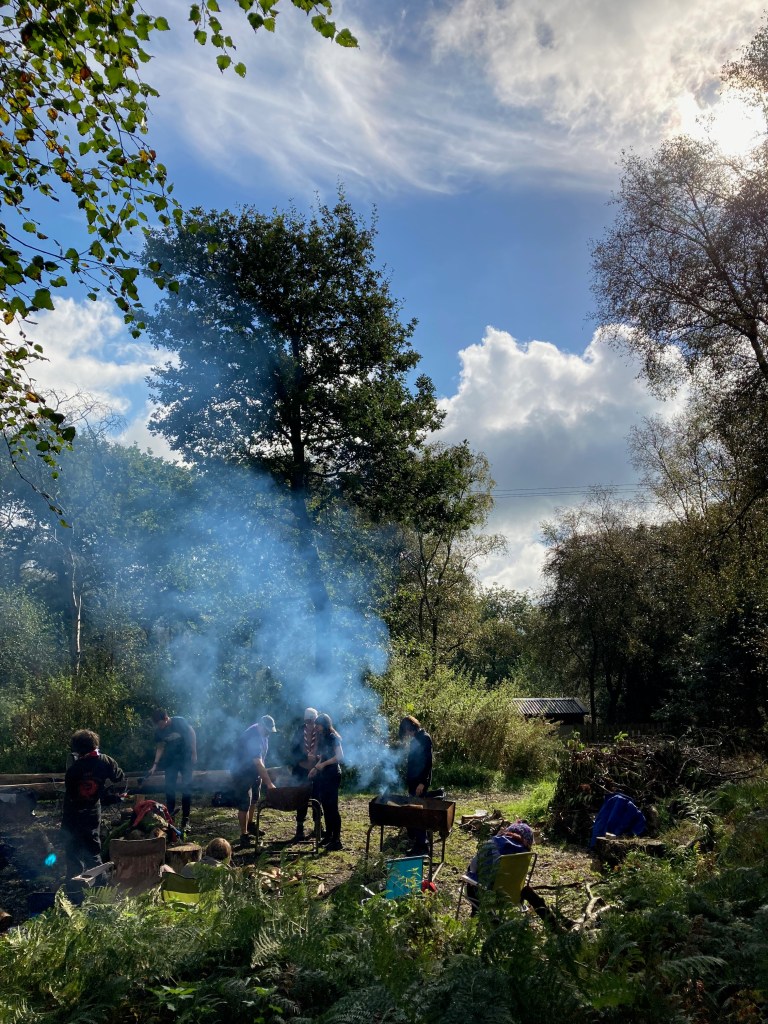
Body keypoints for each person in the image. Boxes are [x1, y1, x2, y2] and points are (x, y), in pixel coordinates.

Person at [61, 729, 126, 881]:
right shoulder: (106, 761)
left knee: (72, 851)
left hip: (73, 814)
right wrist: (110, 794)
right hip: (92, 811)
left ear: (77, 749)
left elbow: (71, 792)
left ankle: (74, 885)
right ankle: (100, 885)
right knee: (93, 850)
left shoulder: (74, 769)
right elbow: (119, 777)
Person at [231, 715, 277, 847]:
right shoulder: (252, 737)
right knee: (244, 803)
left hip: (254, 772)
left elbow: (262, 757)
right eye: (267, 730)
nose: (269, 732)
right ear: (260, 725)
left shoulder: (264, 734)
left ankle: (250, 825)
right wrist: (269, 783)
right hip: (242, 773)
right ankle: (244, 836)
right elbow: (257, 762)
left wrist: (261, 776)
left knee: (254, 799)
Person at [148, 709, 197, 833]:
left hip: (185, 759)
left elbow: (191, 732)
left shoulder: (179, 722)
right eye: (157, 725)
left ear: (166, 718)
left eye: (160, 724)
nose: (159, 727)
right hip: (171, 762)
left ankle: (186, 820)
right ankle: (170, 819)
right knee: (169, 789)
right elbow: (160, 747)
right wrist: (155, 765)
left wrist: (194, 752)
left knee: (186, 788)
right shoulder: (159, 731)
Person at [308, 713, 344, 851]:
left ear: (324, 725)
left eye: (318, 725)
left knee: (332, 807)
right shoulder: (322, 737)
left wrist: (322, 765)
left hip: (333, 774)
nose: (316, 727)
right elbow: (323, 757)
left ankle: (337, 840)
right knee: (325, 806)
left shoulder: (333, 737)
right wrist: (315, 768)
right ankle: (328, 835)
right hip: (323, 775)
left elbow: (339, 756)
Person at [398, 715, 433, 856]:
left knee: (418, 813)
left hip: (420, 783)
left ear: (410, 727)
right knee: (413, 811)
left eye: (405, 731)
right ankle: (418, 840)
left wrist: (422, 783)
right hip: (413, 782)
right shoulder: (415, 740)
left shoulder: (424, 738)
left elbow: (428, 762)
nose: (406, 734)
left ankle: (422, 846)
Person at [289, 707, 319, 841]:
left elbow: (327, 750)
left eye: (312, 721)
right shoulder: (299, 732)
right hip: (301, 770)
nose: (310, 724)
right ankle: (300, 829)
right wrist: (306, 756)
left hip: (317, 770)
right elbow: (293, 752)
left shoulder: (320, 731)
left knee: (317, 799)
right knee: (301, 799)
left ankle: (318, 828)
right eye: (308, 721)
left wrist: (317, 757)